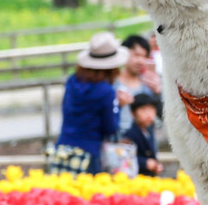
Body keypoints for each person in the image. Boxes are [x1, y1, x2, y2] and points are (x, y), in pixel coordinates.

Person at [54, 32, 128, 175]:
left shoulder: (72, 81)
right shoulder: (106, 91)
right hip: (88, 152)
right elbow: (110, 127)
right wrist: (119, 106)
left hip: (63, 148)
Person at [114, 34, 162, 135]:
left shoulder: (149, 86)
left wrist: (158, 92)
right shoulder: (112, 84)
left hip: (145, 144)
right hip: (119, 142)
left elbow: (161, 116)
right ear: (124, 54)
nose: (141, 61)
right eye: (136, 55)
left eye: (144, 56)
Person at [123, 93, 163, 176]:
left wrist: (156, 164)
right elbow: (126, 158)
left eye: (151, 109)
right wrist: (144, 163)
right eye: (143, 110)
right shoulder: (130, 134)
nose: (149, 114)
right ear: (133, 113)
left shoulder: (149, 130)